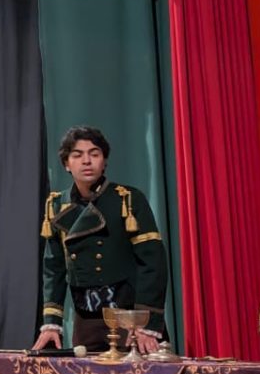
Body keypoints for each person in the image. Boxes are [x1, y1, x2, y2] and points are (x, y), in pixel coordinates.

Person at [33, 126, 169, 354]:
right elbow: (53, 269)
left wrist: (146, 324)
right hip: (86, 322)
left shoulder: (128, 199)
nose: (87, 161)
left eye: (94, 154)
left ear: (104, 161)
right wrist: (51, 323)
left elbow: (152, 264)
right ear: (66, 164)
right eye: (77, 155)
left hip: (130, 320)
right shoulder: (56, 205)